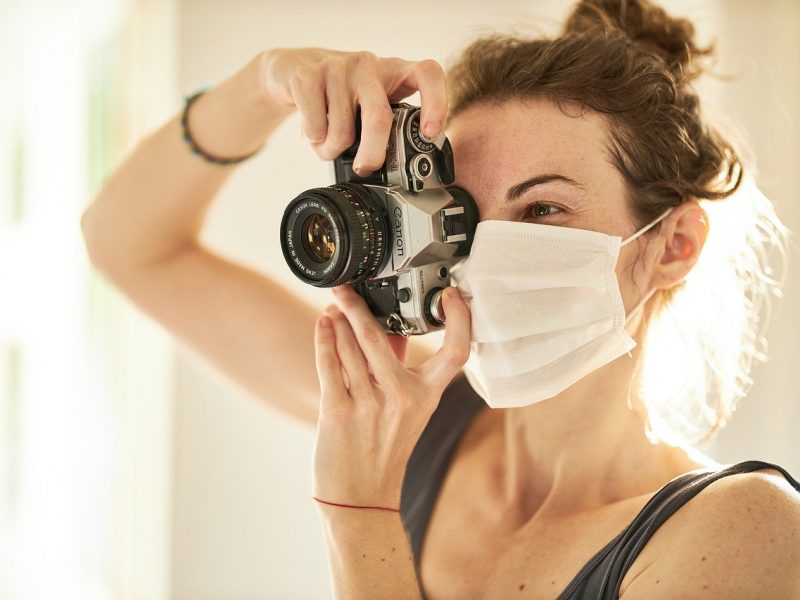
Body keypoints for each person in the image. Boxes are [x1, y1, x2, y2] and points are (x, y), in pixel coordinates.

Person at [81, 0, 800, 597]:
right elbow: (126, 243)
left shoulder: (745, 529)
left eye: (542, 210)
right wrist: (262, 84)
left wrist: (360, 516)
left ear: (672, 244)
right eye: (461, 214)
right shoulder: (416, 416)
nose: (482, 250)